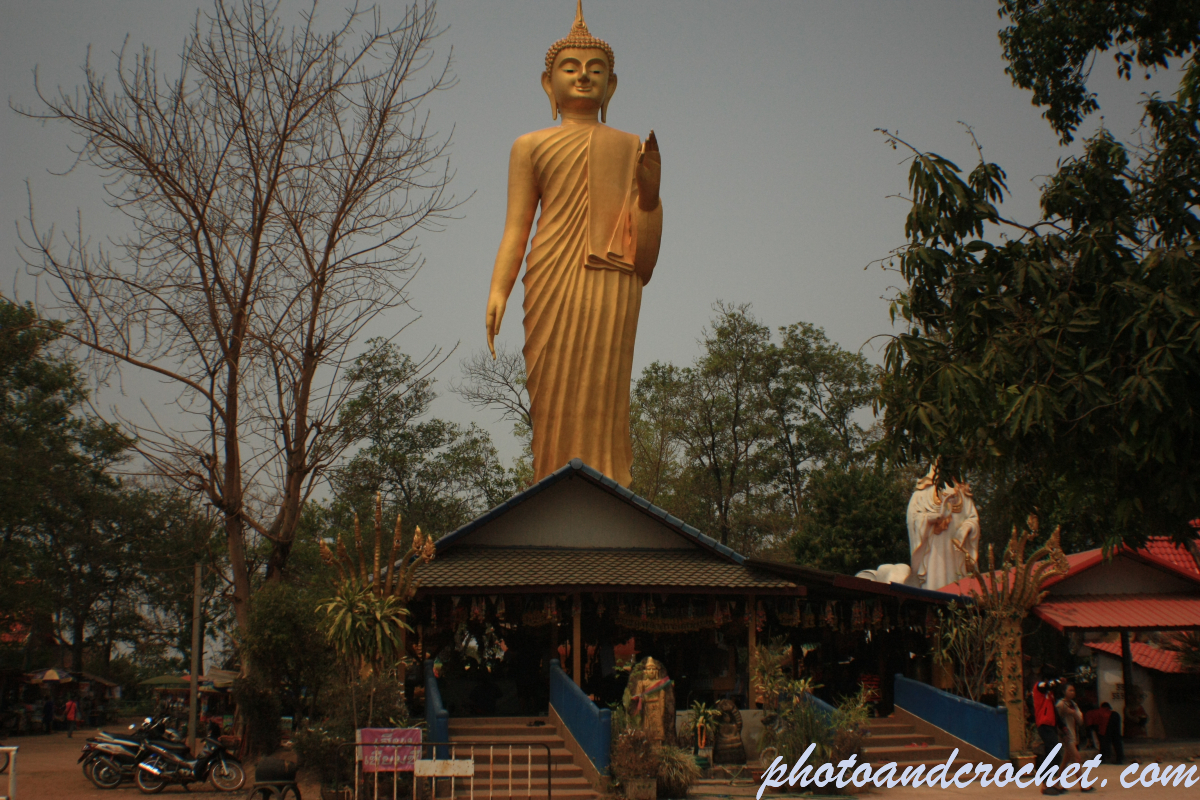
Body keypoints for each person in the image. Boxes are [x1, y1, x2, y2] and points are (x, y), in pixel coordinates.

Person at [485, 0, 663, 488]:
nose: (583, 76)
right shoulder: (530, 145)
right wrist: (498, 289)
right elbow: (516, 227)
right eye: (570, 68)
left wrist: (649, 197)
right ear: (549, 83)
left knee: (604, 387)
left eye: (595, 69)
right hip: (552, 273)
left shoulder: (630, 146)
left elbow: (645, 251)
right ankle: (554, 483)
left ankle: (608, 484)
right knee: (553, 387)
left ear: (611, 85)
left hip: (611, 278)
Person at [1055, 683, 1093, 792]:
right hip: (1066, 735)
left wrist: (1072, 712)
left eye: (1073, 690)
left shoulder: (1073, 705)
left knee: (1066, 760)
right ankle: (1083, 784)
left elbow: (1080, 721)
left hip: (1073, 734)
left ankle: (1056, 783)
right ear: (1064, 692)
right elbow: (1057, 720)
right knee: (1077, 758)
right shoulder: (1060, 705)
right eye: (1070, 690)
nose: (1072, 693)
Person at [1032, 667, 1064, 796]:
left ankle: (1049, 782)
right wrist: (1059, 681)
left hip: (1050, 725)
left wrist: (1062, 726)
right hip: (1044, 725)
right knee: (1053, 752)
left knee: (1055, 754)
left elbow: (1054, 712)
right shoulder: (1039, 686)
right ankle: (1045, 784)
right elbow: (1048, 685)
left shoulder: (1049, 695)